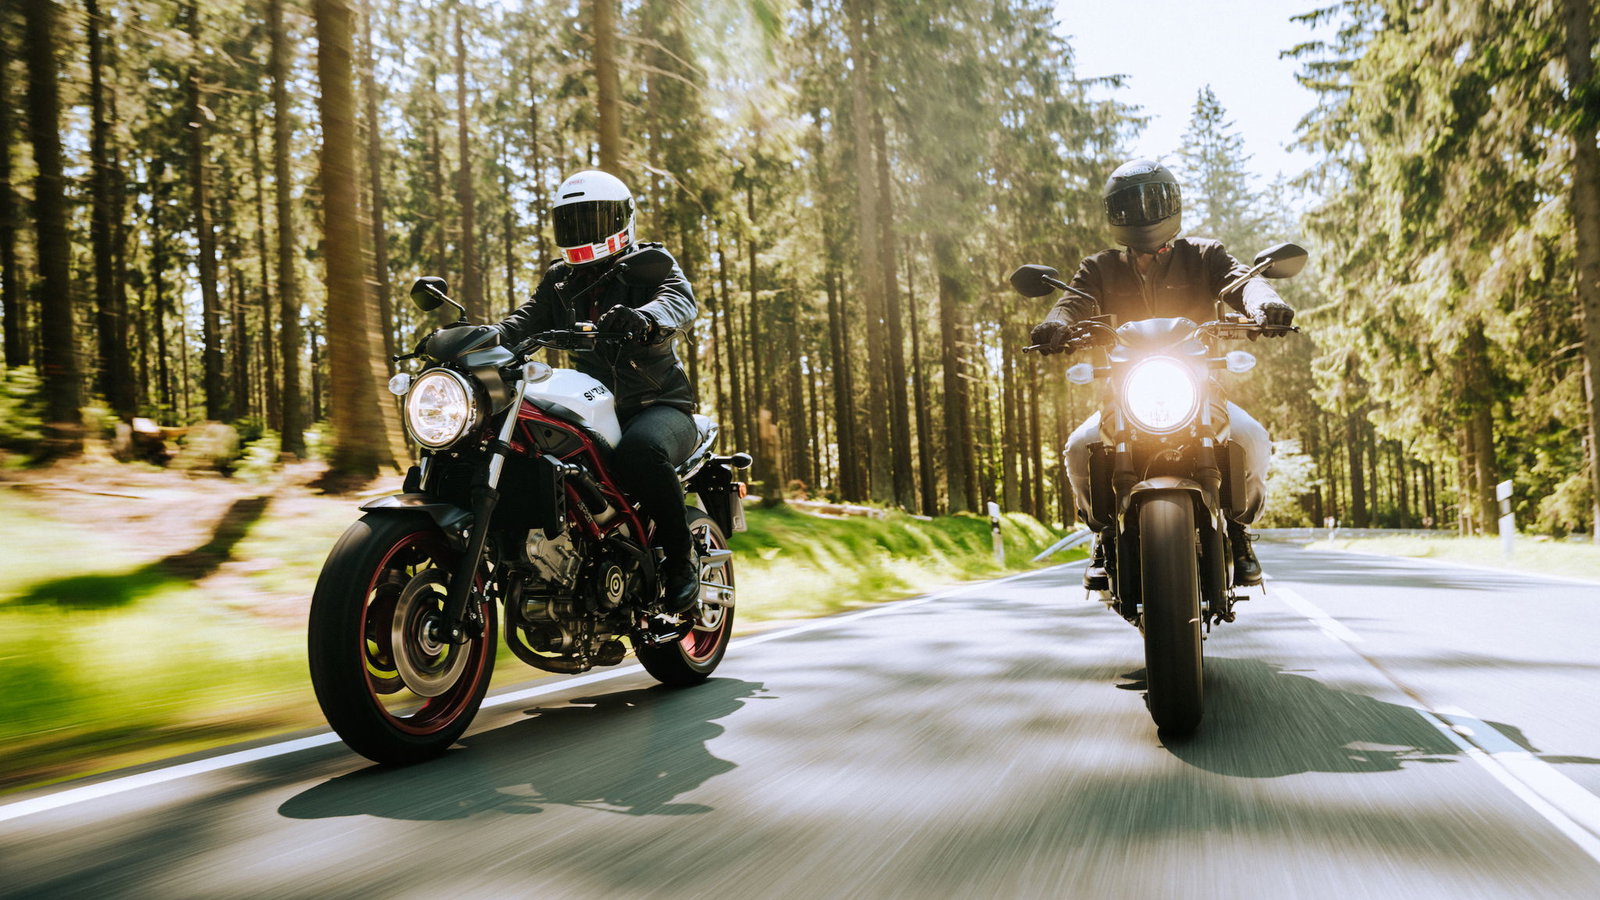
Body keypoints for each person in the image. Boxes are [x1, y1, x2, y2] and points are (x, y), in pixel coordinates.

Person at [1029, 159, 1294, 589]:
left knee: (1252, 439)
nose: (1143, 213)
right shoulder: (1099, 268)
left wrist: (1265, 304)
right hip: (1125, 398)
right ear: (1116, 215)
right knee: (1080, 448)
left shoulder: (1205, 255)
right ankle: (1105, 534)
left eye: (1152, 201)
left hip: (1200, 393)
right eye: (1130, 206)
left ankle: (1240, 531)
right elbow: (1072, 303)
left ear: (1172, 204)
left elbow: (1243, 282)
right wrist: (1056, 324)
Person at [493, 170, 702, 616]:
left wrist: (645, 319)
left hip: (659, 404)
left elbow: (679, 301)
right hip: (594, 407)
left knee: (640, 453)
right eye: (572, 222)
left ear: (621, 221)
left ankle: (682, 566)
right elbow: (522, 322)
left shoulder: (652, 262)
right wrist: (479, 338)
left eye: (593, 219)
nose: (582, 232)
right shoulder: (561, 280)